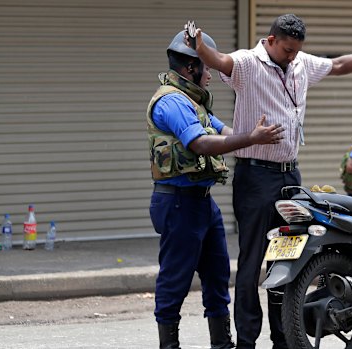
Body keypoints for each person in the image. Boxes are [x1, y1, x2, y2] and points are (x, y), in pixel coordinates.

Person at [190, 14, 352, 349]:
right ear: (271, 40)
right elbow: (219, 60)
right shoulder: (248, 64)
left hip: (291, 175)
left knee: (287, 259)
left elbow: (340, 65)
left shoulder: (301, 62)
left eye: (296, 51)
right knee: (252, 261)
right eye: (287, 50)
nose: (292, 56)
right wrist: (200, 45)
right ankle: (246, 341)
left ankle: (283, 338)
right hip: (256, 176)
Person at [147, 25, 285, 349]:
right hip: (178, 203)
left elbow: (227, 132)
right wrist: (250, 138)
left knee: (218, 278)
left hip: (202, 204)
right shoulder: (171, 102)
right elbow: (201, 144)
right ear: (191, 67)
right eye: (206, 67)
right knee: (175, 280)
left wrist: (259, 139)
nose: (210, 75)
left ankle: (222, 345)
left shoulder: (196, 104)